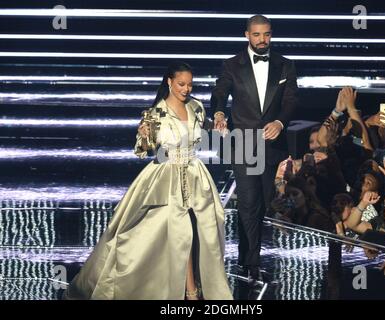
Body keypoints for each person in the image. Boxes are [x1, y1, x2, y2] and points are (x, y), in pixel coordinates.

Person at [63, 62, 233, 300]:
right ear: (169, 82)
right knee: (175, 233)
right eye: (181, 84)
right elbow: (143, 150)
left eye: (190, 84)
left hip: (195, 175)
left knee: (202, 231)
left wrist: (218, 127)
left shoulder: (196, 107)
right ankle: (189, 291)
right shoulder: (156, 113)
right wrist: (144, 137)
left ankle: (194, 287)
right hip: (166, 177)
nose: (186, 89)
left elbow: (204, 133)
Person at [211, 14, 298, 281]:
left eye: (267, 34)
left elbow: (291, 101)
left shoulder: (285, 65)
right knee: (249, 202)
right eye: (257, 35)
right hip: (245, 142)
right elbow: (219, 94)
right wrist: (218, 114)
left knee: (260, 204)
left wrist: (281, 123)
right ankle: (250, 263)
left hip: (272, 144)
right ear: (247, 35)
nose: (263, 40)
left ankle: (246, 257)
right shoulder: (231, 65)